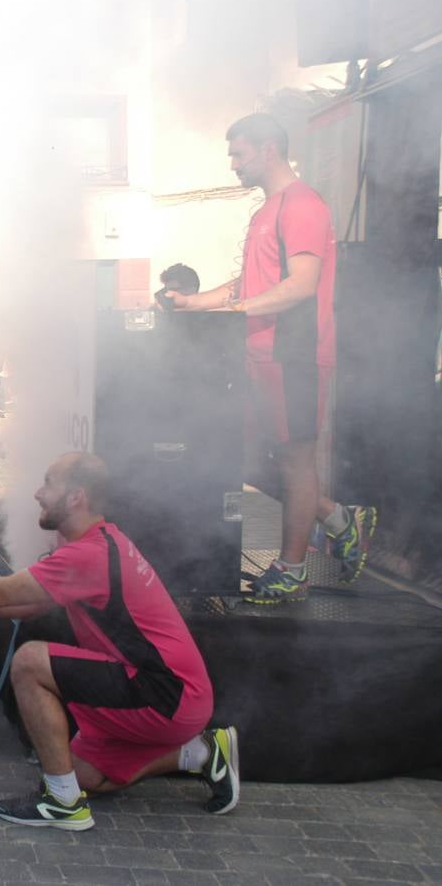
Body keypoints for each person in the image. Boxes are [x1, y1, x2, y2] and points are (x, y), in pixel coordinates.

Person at [0, 452, 237, 830]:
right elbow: (23, 607)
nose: (38, 494)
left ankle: (62, 803)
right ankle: (201, 752)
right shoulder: (97, 543)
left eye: (48, 484)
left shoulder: (91, 554)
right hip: (170, 691)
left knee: (29, 662)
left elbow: (4, 594)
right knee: (85, 776)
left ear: (76, 497)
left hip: (167, 693)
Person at [166, 112, 376, 602]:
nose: (233, 164)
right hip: (259, 355)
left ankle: (292, 569)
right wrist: (192, 304)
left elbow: (301, 285)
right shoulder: (266, 211)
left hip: (294, 355)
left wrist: (237, 309)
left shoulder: (302, 205)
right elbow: (250, 285)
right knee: (251, 463)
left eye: (239, 153)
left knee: (295, 463)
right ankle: (341, 519)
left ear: (268, 149)